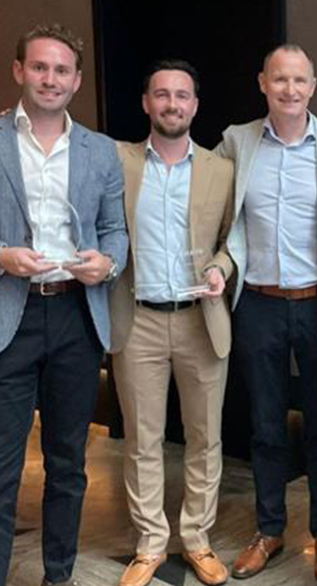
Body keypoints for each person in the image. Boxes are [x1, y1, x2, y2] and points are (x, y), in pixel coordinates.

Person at [0, 24, 127, 586]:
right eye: (39, 67)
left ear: (77, 81)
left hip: (75, 318)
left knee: (68, 466)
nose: (50, 79)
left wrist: (107, 264)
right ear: (19, 71)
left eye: (62, 70)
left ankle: (57, 576)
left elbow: (116, 232)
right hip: (2, 317)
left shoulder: (100, 150)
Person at [214, 44, 317, 584]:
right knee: (265, 425)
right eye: (280, 80)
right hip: (257, 302)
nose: (290, 90)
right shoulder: (236, 142)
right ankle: (269, 529)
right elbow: (207, 207)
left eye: (300, 80)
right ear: (262, 83)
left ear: (314, 85)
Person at [109, 60, 234, 586]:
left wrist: (221, 268)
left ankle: (198, 539)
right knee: (143, 439)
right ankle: (150, 543)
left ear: (195, 106)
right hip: (136, 319)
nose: (172, 105)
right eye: (162, 95)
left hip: (199, 321)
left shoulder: (220, 170)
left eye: (182, 96)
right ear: (146, 103)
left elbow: (234, 241)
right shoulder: (115, 160)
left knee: (205, 438)